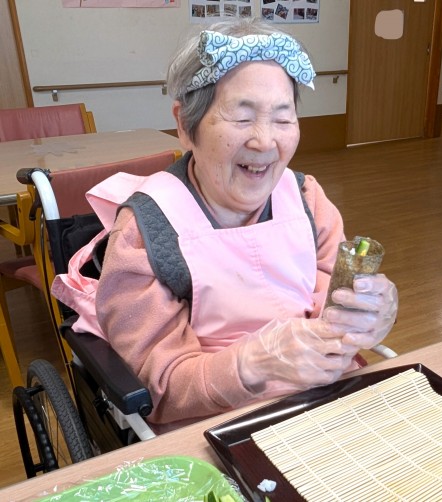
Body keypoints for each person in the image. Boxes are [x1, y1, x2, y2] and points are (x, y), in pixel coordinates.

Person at [52, 17, 398, 433]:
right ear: (185, 124)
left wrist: (366, 316)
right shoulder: (147, 234)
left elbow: (329, 307)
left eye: (283, 118)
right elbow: (159, 387)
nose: (265, 141)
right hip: (208, 423)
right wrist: (253, 363)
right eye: (241, 117)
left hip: (318, 401)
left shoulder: (308, 201)